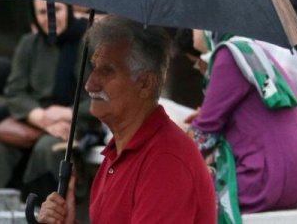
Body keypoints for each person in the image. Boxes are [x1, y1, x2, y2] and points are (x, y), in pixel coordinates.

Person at [37, 16, 216, 224]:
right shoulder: (119, 149)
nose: (90, 84)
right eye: (95, 67)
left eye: (107, 70)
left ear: (145, 84)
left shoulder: (166, 161)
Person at [0, 0, 100, 200]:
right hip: (34, 119)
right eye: (43, 12)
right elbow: (14, 92)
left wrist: (67, 113)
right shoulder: (29, 44)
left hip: (76, 122)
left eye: (57, 10)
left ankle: (39, 213)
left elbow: (101, 98)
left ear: (69, 10)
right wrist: (42, 118)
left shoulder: (89, 44)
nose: (50, 19)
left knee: (48, 149)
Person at [187, 30, 297, 217]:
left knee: (176, 192)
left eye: (193, 26)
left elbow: (203, 134)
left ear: (207, 27)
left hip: (261, 182)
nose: (192, 33)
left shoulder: (228, 56)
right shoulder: (253, 51)